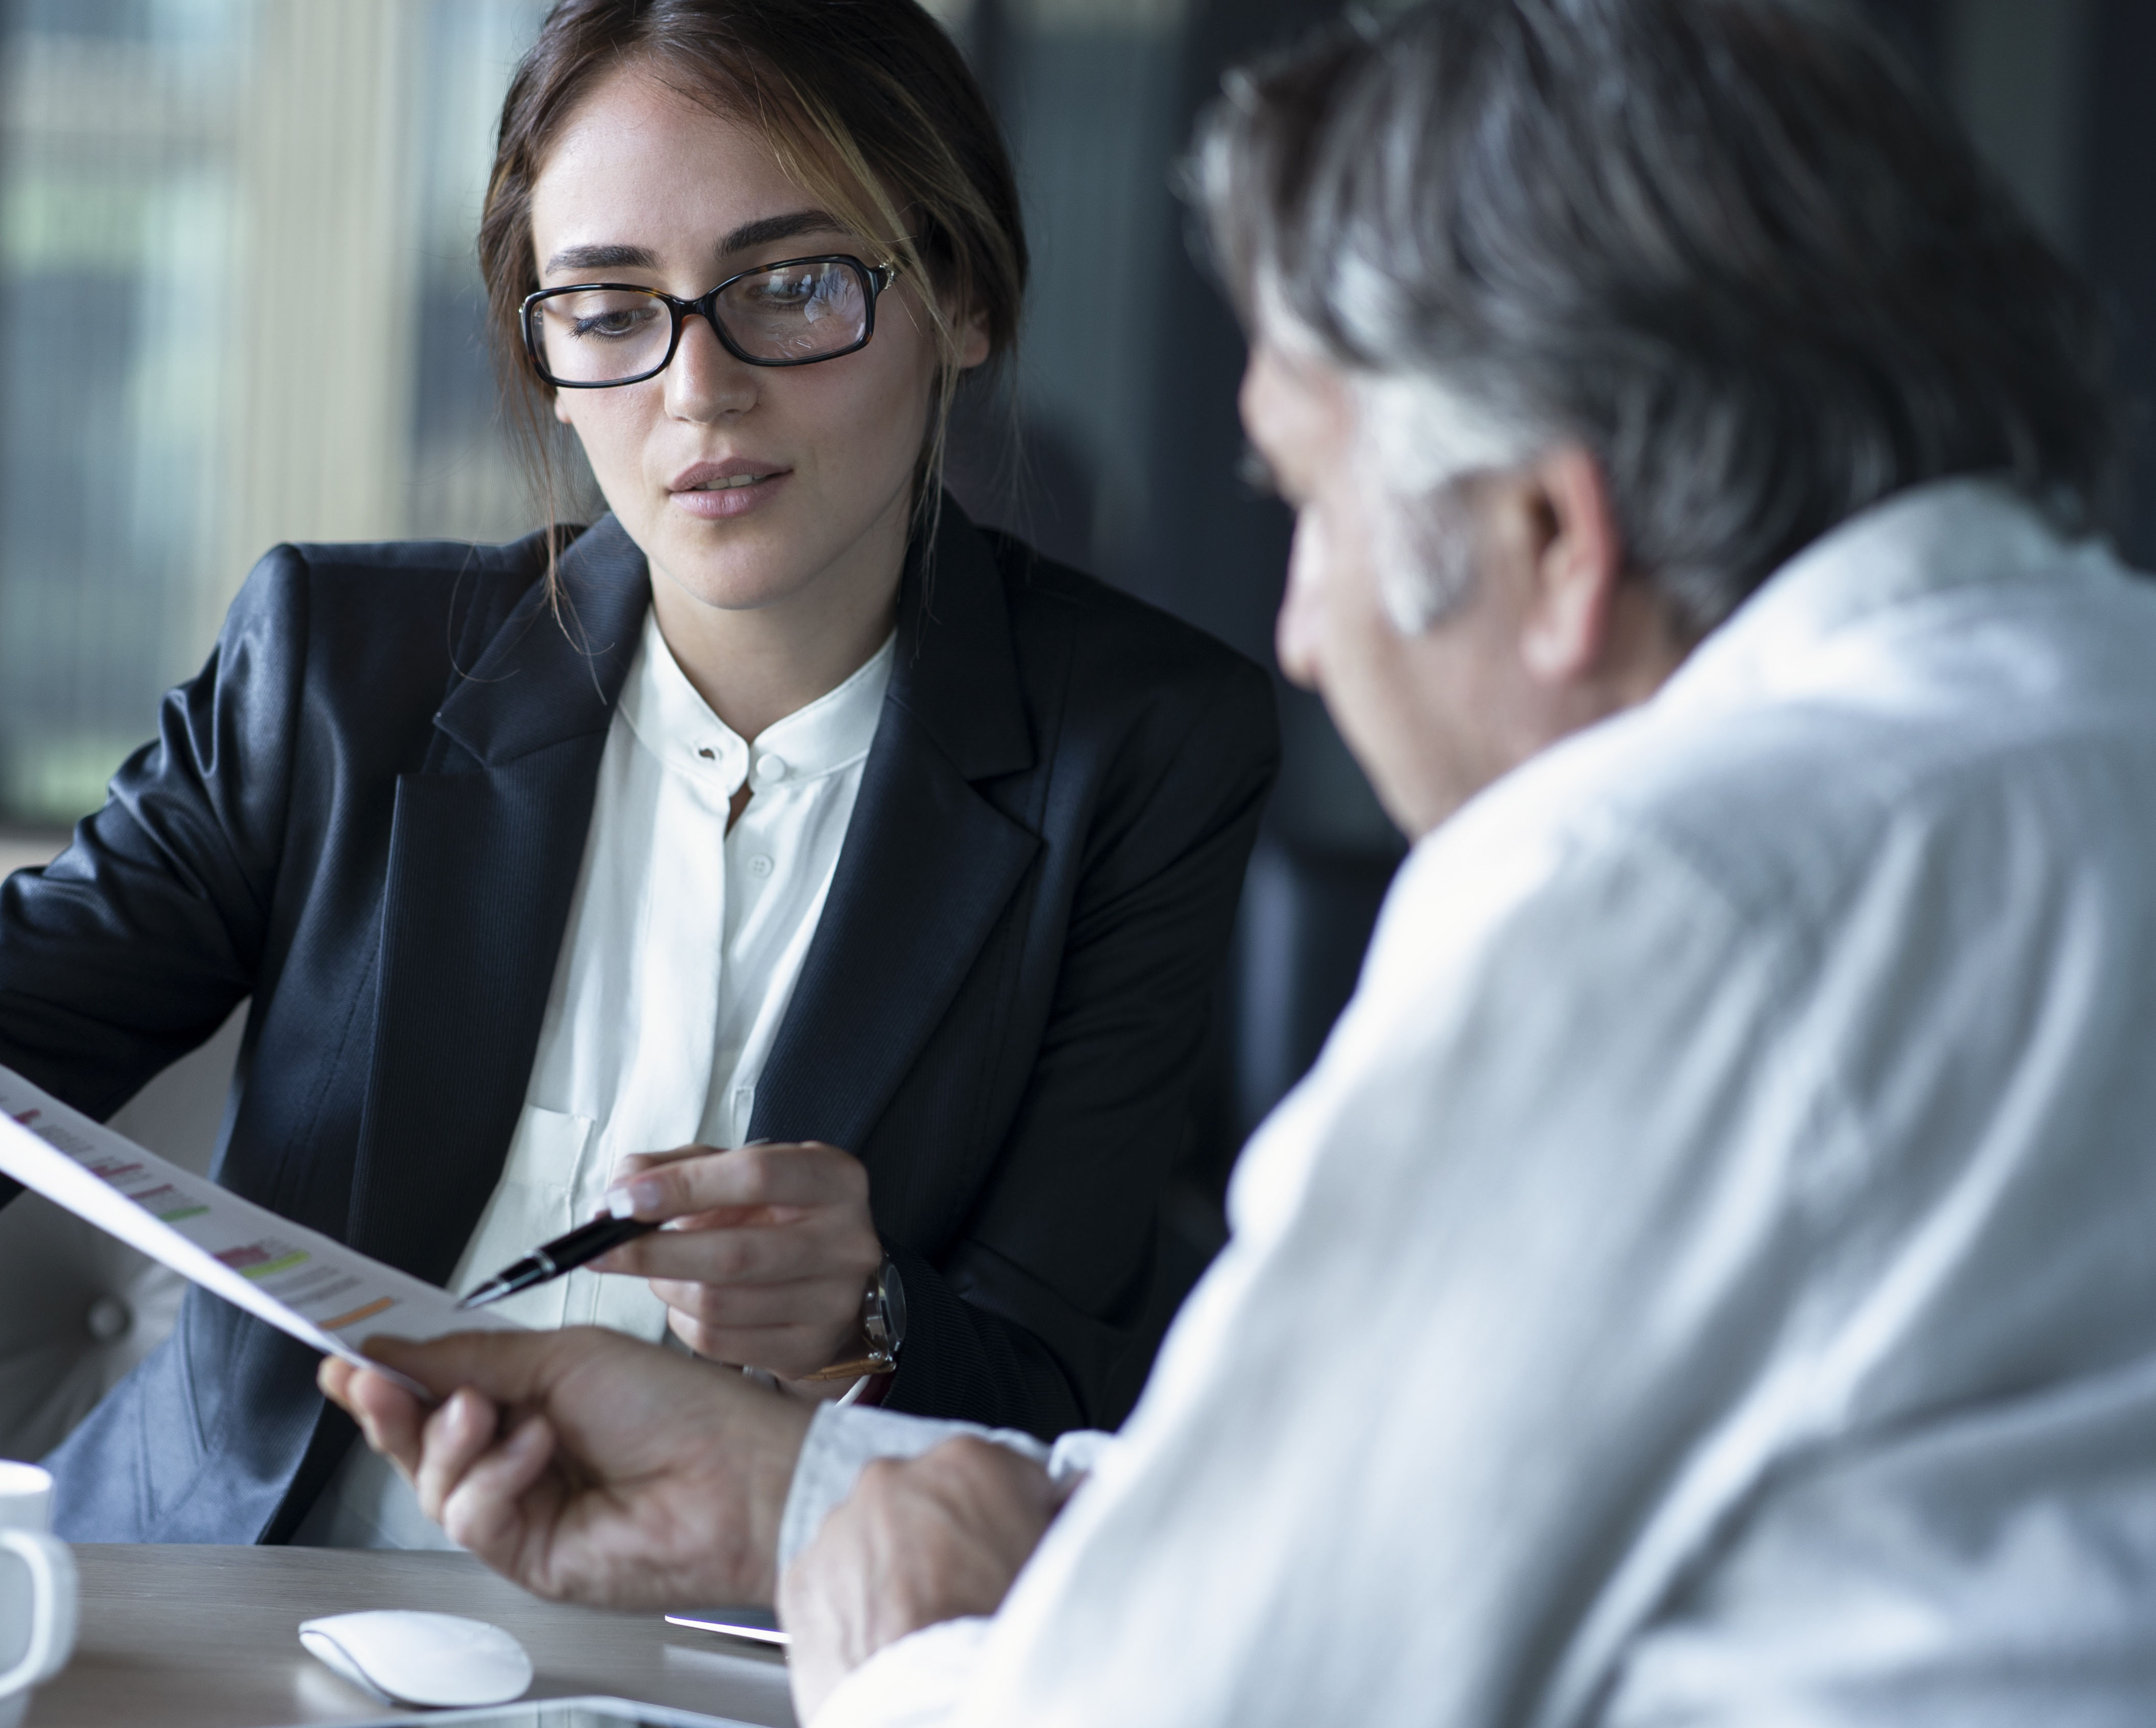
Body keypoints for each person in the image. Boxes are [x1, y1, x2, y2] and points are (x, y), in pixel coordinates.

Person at [315, 0, 2156, 1719]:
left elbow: (1208, 1695)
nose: (1299, 629)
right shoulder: (2088, 730)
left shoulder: (1657, 891)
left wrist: (888, 1644)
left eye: (1312, 506)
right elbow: (1400, 1501)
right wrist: (801, 1492)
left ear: (1546, 535)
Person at [0, 0, 1276, 1546]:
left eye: (795, 286)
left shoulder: (1141, 748)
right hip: (225, 1618)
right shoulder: (333, 671)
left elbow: (1065, 1390)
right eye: (608, 308)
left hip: (744, 1660)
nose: (701, 389)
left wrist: (867, 1322)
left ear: (959, 296)